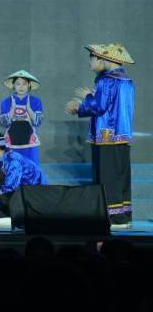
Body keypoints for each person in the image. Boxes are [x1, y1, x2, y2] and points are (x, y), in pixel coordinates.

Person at [66, 43, 135, 228]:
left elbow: (99, 106)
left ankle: (113, 218)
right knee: (120, 177)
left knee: (107, 177)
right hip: (122, 136)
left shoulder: (106, 81)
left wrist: (83, 102)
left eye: (92, 58)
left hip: (106, 137)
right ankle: (124, 216)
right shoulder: (126, 80)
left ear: (103, 59)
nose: (90, 62)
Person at [0, 133, 46, 224]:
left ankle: (11, 217)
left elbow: (10, 187)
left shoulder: (13, 161)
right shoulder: (5, 160)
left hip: (33, 197)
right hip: (23, 193)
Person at [0, 70, 44, 165]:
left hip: (30, 141)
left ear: (29, 85)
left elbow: (38, 122)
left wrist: (29, 109)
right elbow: (5, 124)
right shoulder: (6, 101)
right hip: (12, 140)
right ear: (13, 85)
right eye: (18, 84)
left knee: (31, 166)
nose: (21, 87)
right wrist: (12, 110)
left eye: (24, 84)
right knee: (13, 166)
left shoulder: (36, 101)